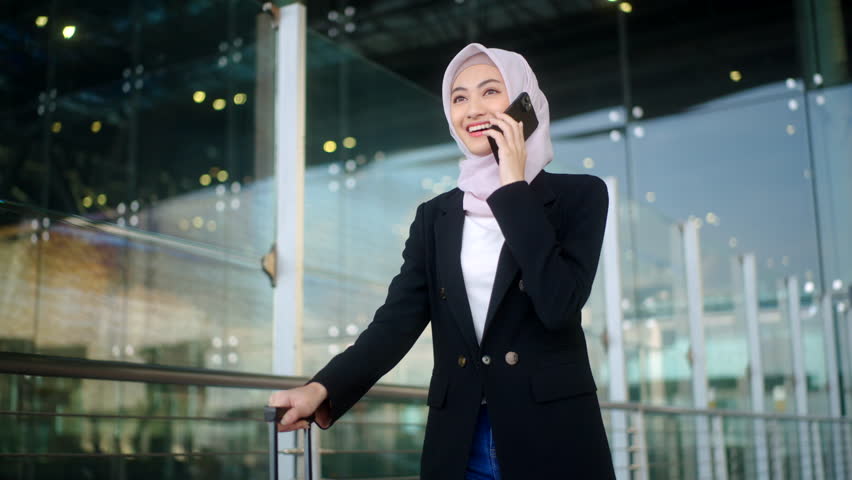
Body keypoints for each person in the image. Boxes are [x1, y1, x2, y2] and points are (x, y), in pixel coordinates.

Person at [268, 42, 616, 479]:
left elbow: (558, 304)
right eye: (459, 97)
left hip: (552, 435)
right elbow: (396, 321)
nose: (472, 109)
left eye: (491, 91)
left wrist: (512, 185)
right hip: (460, 437)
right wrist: (322, 388)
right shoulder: (436, 217)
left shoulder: (579, 196)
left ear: (523, 102)